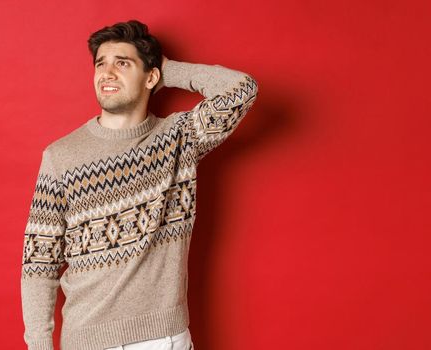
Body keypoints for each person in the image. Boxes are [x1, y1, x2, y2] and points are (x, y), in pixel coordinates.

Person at [20, 19, 257, 350]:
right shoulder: (61, 157)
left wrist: (168, 70)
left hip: (164, 339)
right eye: (100, 64)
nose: (107, 73)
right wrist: (38, 345)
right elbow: (38, 263)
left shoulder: (180, 138)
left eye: (122, 63)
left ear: (151, 77)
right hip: (89, 342)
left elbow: (242, 89)